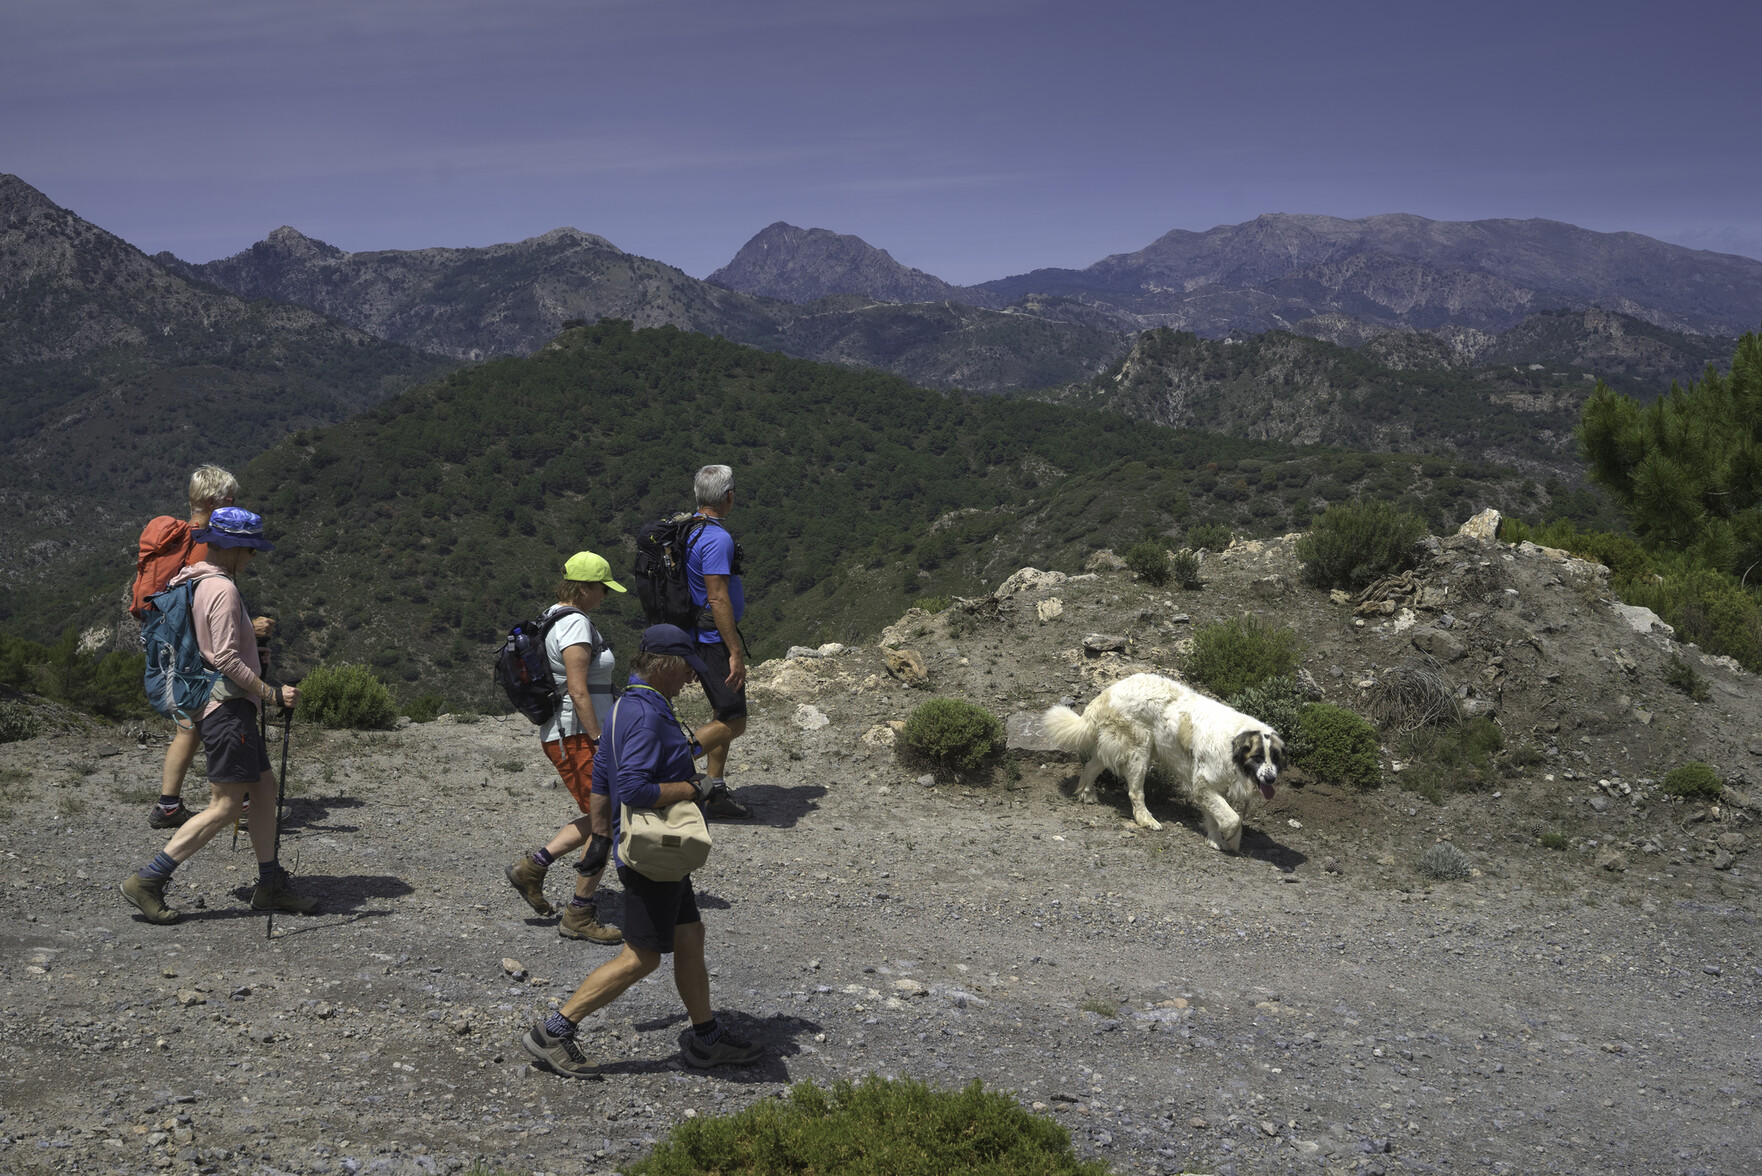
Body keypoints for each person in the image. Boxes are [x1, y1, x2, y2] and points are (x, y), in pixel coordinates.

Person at [520, 624, 763, 1077]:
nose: (691, 678)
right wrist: (696, 785)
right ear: (665, 665)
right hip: (655, 853)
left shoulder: (627, 704)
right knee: (642, 956)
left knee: (690, 935)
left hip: (655, 849)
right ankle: (553, 1031)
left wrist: (599, 841)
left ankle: (707, 1038)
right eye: (687, 668)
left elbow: (604, 777)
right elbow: (632, 787)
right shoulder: (648, 715)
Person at [119, 507, 314, 924]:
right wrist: (271, 692)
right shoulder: (223, 590)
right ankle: (148, 880)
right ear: (235, 547)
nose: (254, 558)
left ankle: (269, 884)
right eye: (251, 549)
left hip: (216, 704)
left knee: (263, 791)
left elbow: (216, 648)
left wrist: (253, 652)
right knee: (226, 805)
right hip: (226, 708)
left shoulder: (196, 580)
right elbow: (223, 656)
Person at [134, 465, 275, 829]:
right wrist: (248, 629)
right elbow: (208, 610)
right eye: (231, 499)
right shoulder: (205, 546)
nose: (234, 505)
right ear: (215, 501)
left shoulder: (176, 540)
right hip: (198, 654)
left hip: (170, 643)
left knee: (189, 725)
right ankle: (236, 802)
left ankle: (170, 804)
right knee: (218, 718)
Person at [504, 552, 627, 944]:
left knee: (600, 815)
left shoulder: (553, 614)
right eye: (602, 588)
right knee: (605, 821)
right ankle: (579, 913)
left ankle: (532, 868)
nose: (605, 596)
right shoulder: (574, 624)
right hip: (576, 735)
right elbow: (577, 689)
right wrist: (598, 740)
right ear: (584, 588)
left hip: (567, 733)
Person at [683, 464, 753, 819]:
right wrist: (734, 652)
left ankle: (715, 792)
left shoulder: (690, 528)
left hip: (699, 634)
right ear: (728, 497)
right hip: (714, 639)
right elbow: (718, 597)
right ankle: (670, 760)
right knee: (735, 720)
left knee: (721, 713)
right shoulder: (716, 538)